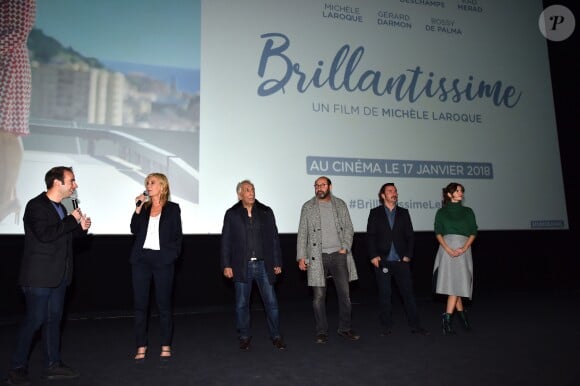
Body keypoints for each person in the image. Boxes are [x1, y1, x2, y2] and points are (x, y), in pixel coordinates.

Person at [6, 166, 91, 386]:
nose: (75, 185)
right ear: (57, 183)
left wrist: (81, 228)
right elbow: (45, 235)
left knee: (54, 321)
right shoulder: (36, 206)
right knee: (35, 320)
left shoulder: (68, 205)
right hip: (38, 277)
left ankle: (53, 365)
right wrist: (72, 221)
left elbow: (68, 236)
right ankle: (17, 368)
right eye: (71, 181)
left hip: (60, 276)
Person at [220, 180, 286, 350]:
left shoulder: (266, 211)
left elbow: (274, 238)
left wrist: (277, 261)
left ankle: (276, 336)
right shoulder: (232, 214)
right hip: (242, 266)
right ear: (240, 194)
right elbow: (226, 241)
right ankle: (244, 337)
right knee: (242, 303)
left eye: (253, 189)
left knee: (271, 302)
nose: (251, 193)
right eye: (247, 190)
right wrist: (226, 265)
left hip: (265, 265)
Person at [297, 176, 359, 344]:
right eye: (316, 185)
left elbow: (349, 229)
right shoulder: (308, 207)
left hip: (339, 255)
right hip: (317, 257)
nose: (319, 188)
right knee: (318, 297)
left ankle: (345, 328)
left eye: (322, 185)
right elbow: (303, 233)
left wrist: (344, 248)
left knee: (345, 295)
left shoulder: (340, 204)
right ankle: (321, 331)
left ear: (330, 187)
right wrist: (301, 256)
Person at [130, 173, 183, 363]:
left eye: (152, 182)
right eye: (147, 183)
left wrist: (171, 256)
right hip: (141, 260)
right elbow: (134, 230)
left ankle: (165, 344)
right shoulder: (143, 208)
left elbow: (177, 237)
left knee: (163, 304)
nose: (148, 185)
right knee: (140, 305)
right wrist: (136, 209)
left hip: (163, 261)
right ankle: (141, 345)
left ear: (162, 186)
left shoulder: (173, 209)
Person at [366, 183, 429, 336]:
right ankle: (386, 327)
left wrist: (408, 255)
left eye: (395, 191)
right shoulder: (375, 213)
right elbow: (370, 236)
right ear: (383, 196)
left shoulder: (404, 212)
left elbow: (410, 236)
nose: (394, 193)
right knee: (385, 295)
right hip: (383, 261)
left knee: (408, 294)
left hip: (401, 261)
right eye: (390, 191)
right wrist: (373, 256)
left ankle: (416, 326)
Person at [0, 0, 36, 225]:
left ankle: (5, 199)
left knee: (7, 133)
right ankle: (8, 196)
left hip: (9, 64)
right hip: (5, 61)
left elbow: (16, 35)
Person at [433, 182, 478, 334]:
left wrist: (464, 248)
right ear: (449, 194)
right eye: (457, 191)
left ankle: (451, 320)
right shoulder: (441, 212)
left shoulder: (468, 211)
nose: (461, 193)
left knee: (456, 286)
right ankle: (455, 321)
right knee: (454, 286)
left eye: (462, 191)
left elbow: (473, 231)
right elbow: (438, 232)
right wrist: (447, 248)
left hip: (463, 250)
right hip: (446, 249)